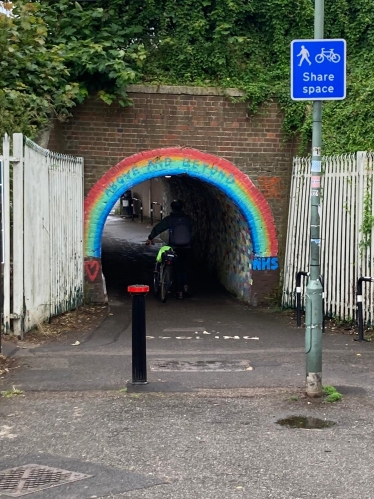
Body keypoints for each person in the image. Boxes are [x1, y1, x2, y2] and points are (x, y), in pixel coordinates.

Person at [146, 200, 192, 299]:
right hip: (187, 247)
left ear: (172, 208)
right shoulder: (188, 219)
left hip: (174, 247)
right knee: (185, 268)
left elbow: (158, 228)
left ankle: (179, 291)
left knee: (176, 269)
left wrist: (150, 237)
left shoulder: (169, 219)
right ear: (182, 207)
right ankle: (185, 287)